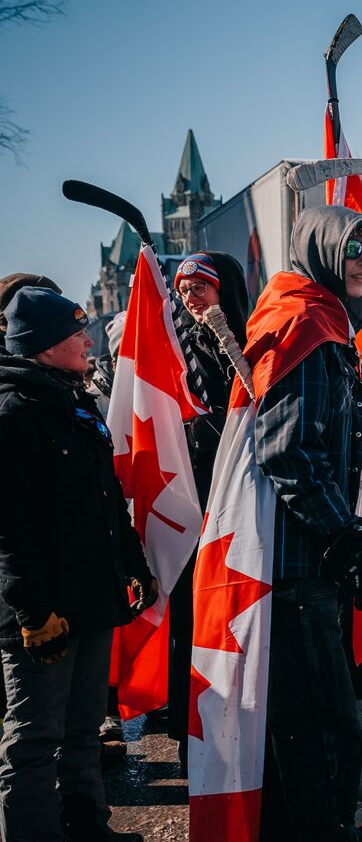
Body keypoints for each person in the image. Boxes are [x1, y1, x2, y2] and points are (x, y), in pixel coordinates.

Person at [0, 287, 155, 842]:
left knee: (83, 728)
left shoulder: (75, 401)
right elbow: (9, 529)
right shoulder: (13, 413)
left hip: (90, 598)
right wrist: (33, 611)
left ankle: (88, 828)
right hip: (44, 613)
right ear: (43, 346)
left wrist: (133, 567)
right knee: (36, 739)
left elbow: (108, 498)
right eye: (75, 333)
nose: (88, 340)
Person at [250, 205, 362, 839]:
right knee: (326, 733)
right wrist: (343, 535)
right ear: (323, 249)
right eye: (353, 245)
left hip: (307, 562)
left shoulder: (321, 317)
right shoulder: (308, 324)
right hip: (299, 567)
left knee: (303, 730)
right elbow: (287, 450)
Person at [166, 253, 249, 768]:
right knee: (194, 614)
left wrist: (228, 343)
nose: (191, 297)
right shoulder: (174, 346)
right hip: (194, 499)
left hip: (241, 493)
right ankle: (188, 730)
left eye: (200, 286)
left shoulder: (249, 337)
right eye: (183, 289)